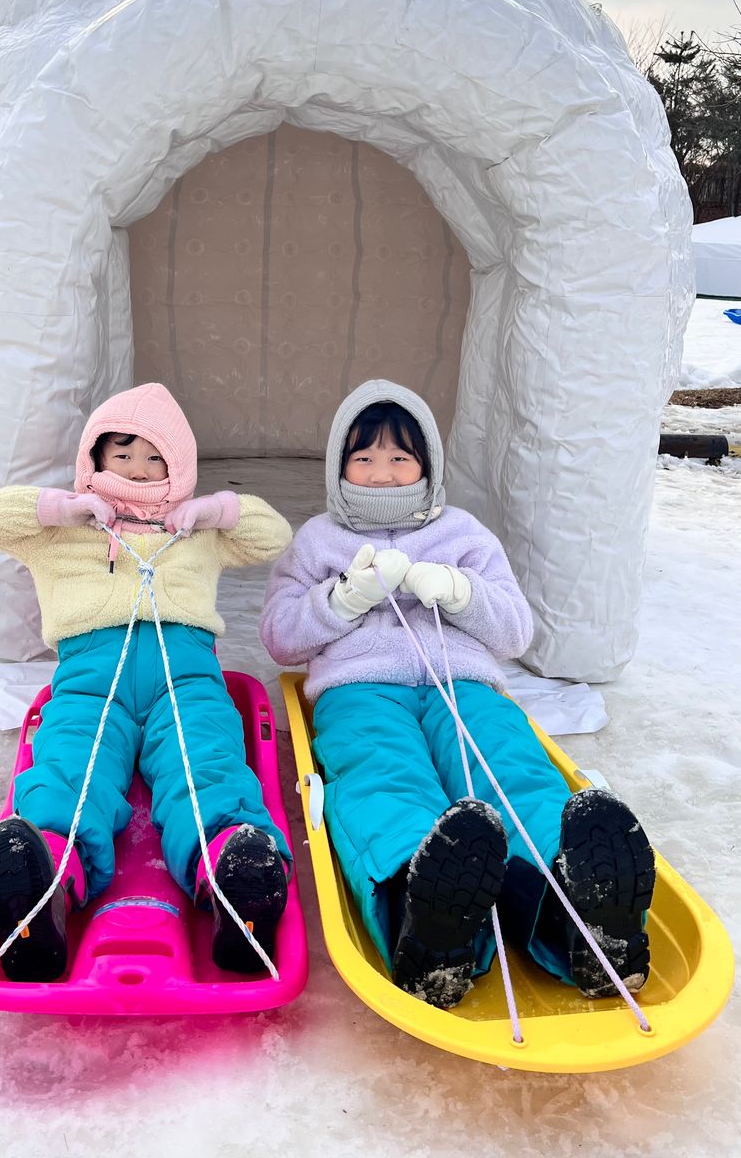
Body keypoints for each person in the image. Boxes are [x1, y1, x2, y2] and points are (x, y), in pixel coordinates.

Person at [260, 379, 654, 1009]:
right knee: (381, 775)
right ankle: (427, 917)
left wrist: (459, 590)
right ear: (339, 469)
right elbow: (280, 636)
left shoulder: (463, 533)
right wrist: (341, 601)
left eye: (399, 459)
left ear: (427, 466)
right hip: (360, 691)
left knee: (505, 766)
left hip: (462, 682)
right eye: (363, 459)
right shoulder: (317, 541)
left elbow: (514, 630)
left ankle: (575, 907)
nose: (382, 475)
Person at [0, 382, 292, 981]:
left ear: (180, 468)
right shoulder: (65, 529)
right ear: (95, 459)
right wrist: (60, 508)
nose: (140, 470)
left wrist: (215, 510)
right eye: (124, 453)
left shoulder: (196, 531)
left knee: (206, 758)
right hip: (92, 679)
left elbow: (274, 536)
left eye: (156, 459)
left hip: (186, 676)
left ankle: (234, 875)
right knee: (74, 759)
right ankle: (47, 884)